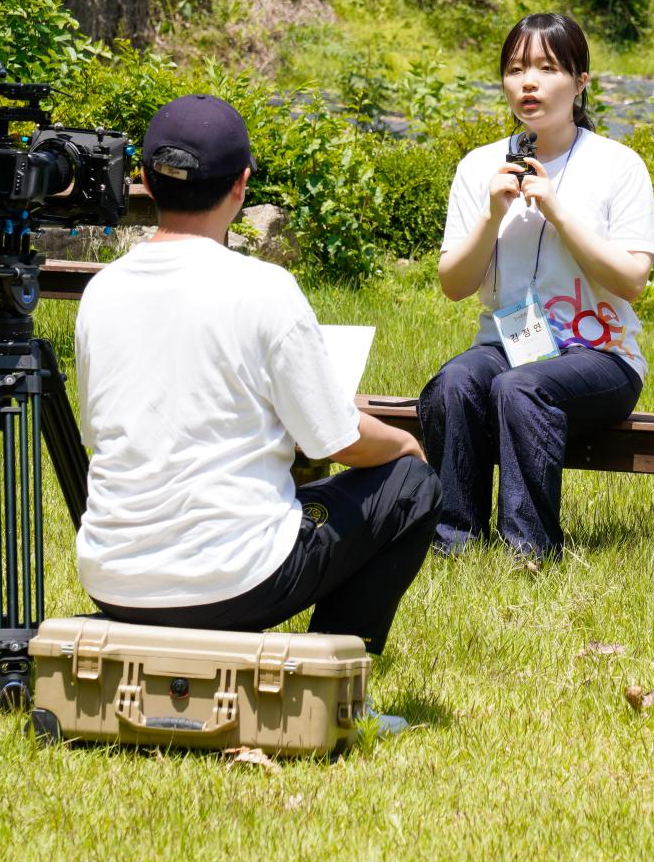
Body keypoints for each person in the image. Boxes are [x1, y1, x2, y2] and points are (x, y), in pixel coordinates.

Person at [75, 95, 441, 683]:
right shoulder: (265, 288)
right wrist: (405, 446)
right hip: (238, 582)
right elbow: (336, 441)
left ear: (143, 178)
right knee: (411, 488)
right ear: (241, 186)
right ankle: (330, 678)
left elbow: (98, 432)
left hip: (112, 579)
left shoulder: (102, 290)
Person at [420, 12, 654, 561]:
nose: (528, 82)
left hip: (601, 356)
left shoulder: (618, 166)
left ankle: (530, 550)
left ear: (580, 82)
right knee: (455, 382)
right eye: (515, 69)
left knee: (520, 388)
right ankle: (454, 543)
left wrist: (556, 208)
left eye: (547, 69)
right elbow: (454, 285)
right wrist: (491, 214)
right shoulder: (480, 167)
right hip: (506, 347)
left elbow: (631, 281)